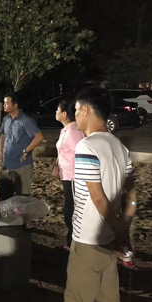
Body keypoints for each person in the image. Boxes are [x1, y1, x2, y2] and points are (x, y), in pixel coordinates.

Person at [61, 88, 137, 302]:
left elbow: (98, 198)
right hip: (109, 243)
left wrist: (118, 229)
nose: (74, 117)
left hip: (88, 241)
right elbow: (132, 196)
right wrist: (123, 228)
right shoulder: (120, 147)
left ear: (86, 110)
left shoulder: (87, 146)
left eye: (76, 110)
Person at [53, 99, 85, 248]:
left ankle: (73, 241)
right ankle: (72, 240)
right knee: (69, 207)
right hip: (67, 175)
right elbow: (63, 151)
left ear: (64, 114)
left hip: (73, 176)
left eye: (57, 110)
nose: (55, 113)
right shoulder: (67, 130)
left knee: (71, 209)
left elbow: (80, 153)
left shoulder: (73, 132)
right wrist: (57, 166)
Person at [0, 92, 44, 195]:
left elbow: (39, 137)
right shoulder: (6, 119)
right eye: (4, 103)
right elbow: (3, 135)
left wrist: (26, 151)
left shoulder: (26, 121)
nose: (4, 105)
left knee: (22, 195)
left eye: (7, 103)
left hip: (21, 165)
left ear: (15, 105)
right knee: (4, 194)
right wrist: (1, 151)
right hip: (7, 163)